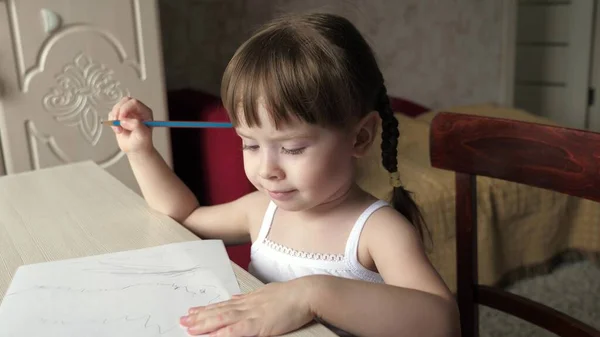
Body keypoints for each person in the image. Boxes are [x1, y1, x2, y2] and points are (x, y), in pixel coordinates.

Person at [108, 12, 459, 337]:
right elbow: (184, 217)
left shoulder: (376, 231)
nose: (266, 170)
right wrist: (141, 152)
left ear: (361, 136)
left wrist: (313, 294)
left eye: (291, 149)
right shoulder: (261, 210)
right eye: (250, 144)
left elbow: (441, 321)